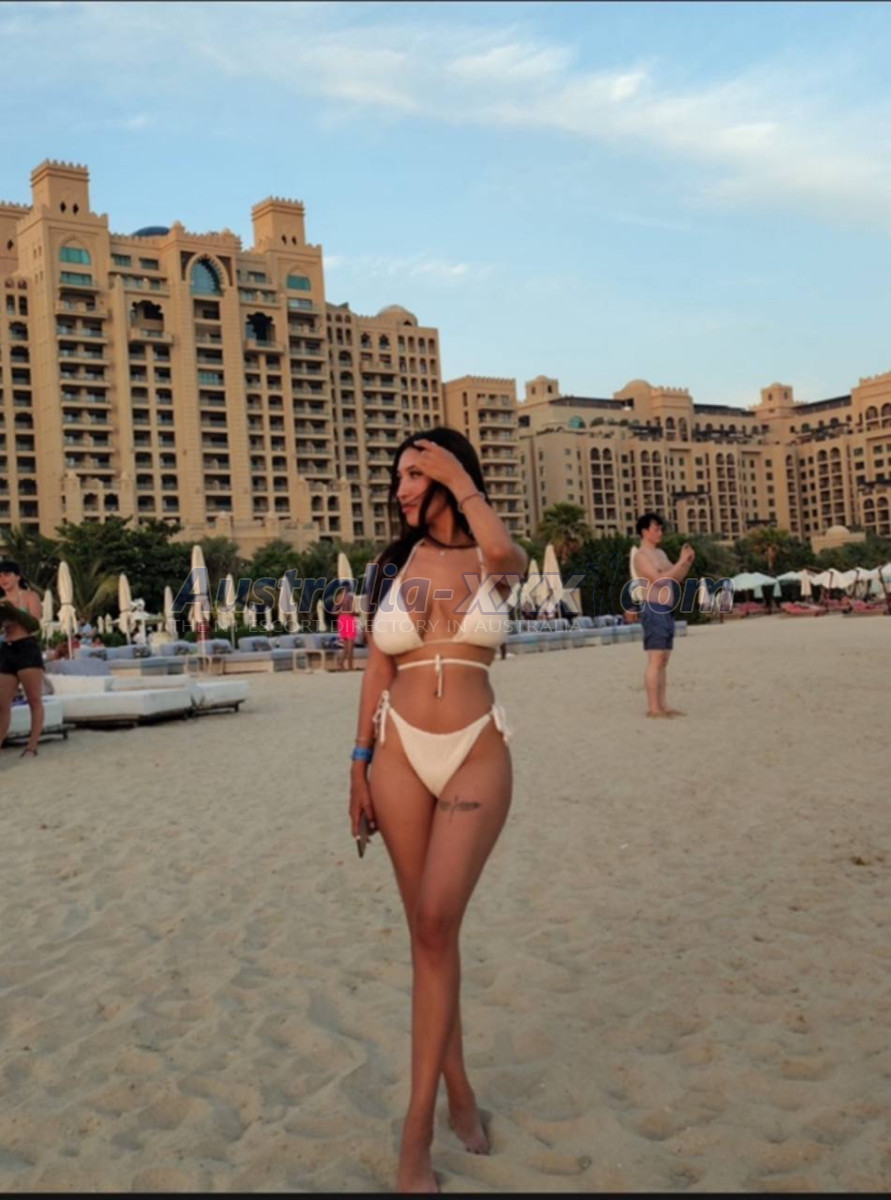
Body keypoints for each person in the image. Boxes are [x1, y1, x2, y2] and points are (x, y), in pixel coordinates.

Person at [350, 427, 527, 1193]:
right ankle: (456, 1088)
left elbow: (507, 556)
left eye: (414, 475)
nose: (400, 489)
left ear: (451, 476)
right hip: (397, 753)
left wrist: (456, 476)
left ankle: (414, 1133)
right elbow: (375, 666)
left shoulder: (491, 559)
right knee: (428, 937)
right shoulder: (390, 565)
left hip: (475, 748)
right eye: (397, 477)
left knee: (435, 921)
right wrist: (357, 763)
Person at [632, 513, 695, 719]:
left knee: (664, 659)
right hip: (653, 608)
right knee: (656, 657)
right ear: (644, 531)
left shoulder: (660, 553)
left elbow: (676, 576)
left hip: (666, 609)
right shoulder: (641, 556)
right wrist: (680, 561)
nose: (660, 532)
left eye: (660, 529)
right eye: (656, 529)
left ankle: (662, 705)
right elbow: (658, 579)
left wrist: (686, 563)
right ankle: (653, 708)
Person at [0, 559, 45, 757]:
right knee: (2, 703)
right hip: (7, 648)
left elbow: (34, 624)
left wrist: (13, 611)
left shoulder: (29, 596)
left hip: (26, 647)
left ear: (17, 576)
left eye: (7, 574)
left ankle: (32, 745)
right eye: (0, 576)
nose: (2, 579)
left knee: (33, 699)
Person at [336, 589, 358, 671]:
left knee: (345, 646)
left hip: (341, 619)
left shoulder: (338, 598)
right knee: (351, 645)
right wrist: (357, 614)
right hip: (349, 619)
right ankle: (350, 666)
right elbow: (352, 610)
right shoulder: (350, 597)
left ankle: (341, 664)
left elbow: (334, 611)